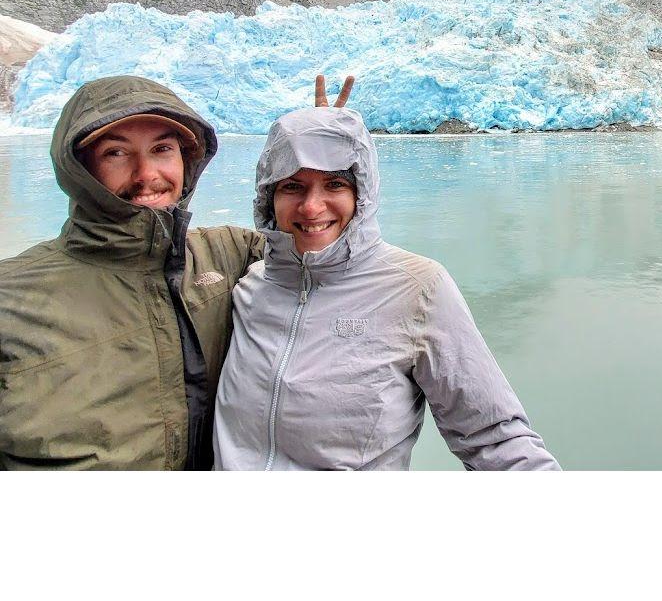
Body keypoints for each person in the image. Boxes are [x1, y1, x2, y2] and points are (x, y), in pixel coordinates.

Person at [0, 72, 354, 471]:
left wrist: (318, 161)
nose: (146, 174)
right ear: (79, 169)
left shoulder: (228, 255)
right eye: (116, 153)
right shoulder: (12, 298)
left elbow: (320, 256)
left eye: (162, 149)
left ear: (187, 160)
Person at [213, 105, 560, 470]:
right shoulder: (250, 288)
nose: (312, 206)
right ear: (269, 196)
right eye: (292, 186)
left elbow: (494, 437)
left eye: (335, 184)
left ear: (363, 193)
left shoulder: (417, 288)